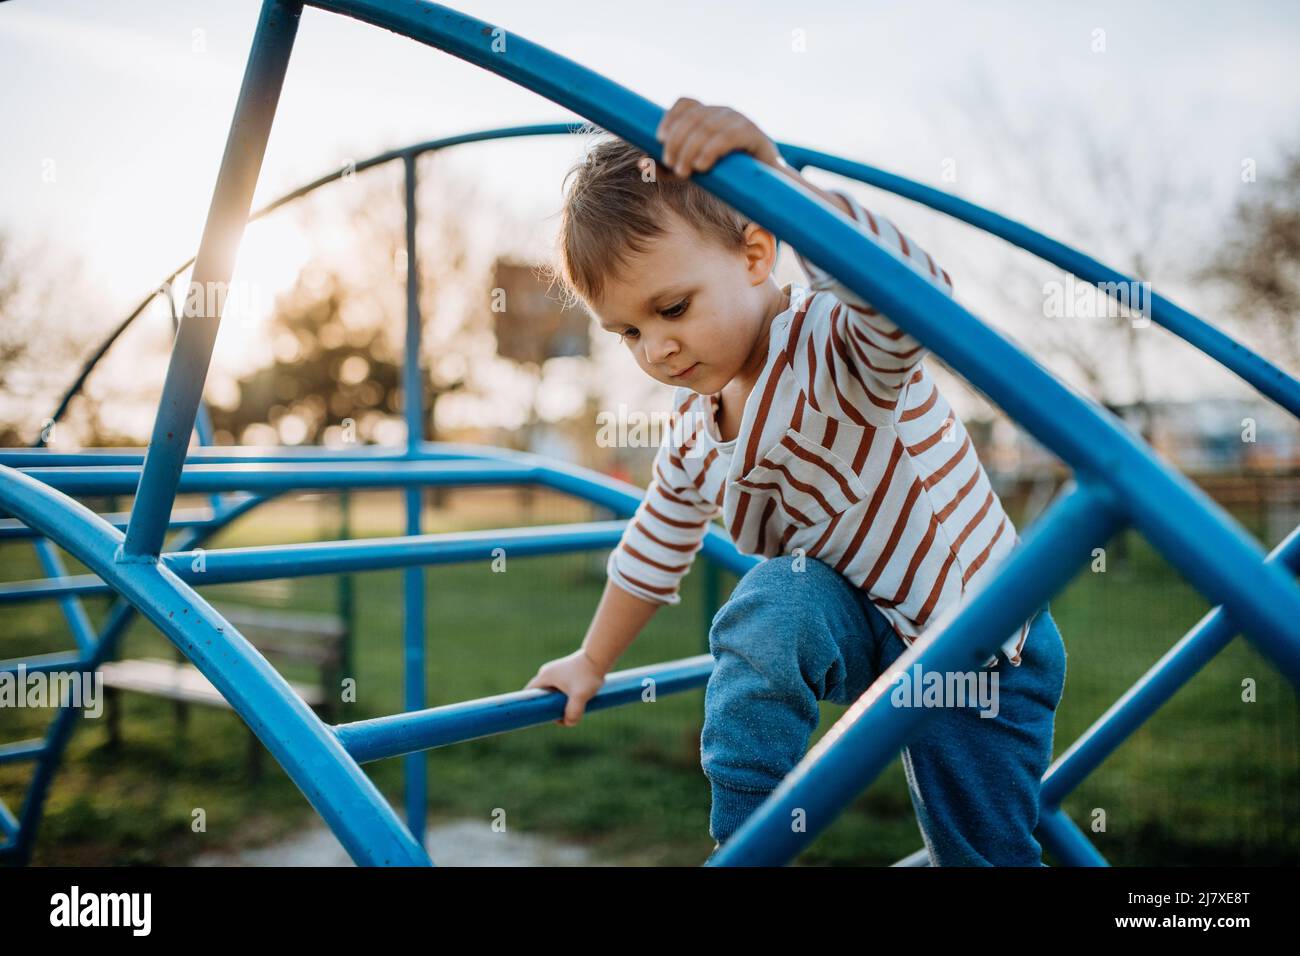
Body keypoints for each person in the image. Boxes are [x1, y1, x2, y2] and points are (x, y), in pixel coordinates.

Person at [524, 98, 1067, 865]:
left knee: (977, 854)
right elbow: (653, 546)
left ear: (755, 254)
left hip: (973, 647)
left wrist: (781, 183)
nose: (657, 349)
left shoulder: (837, 344)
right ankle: (748, 844)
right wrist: (591, 660)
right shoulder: (692, 430)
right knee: (772, 602)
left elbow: (912, 296)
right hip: (858, 627)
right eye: (630, 331)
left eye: (672, 308)